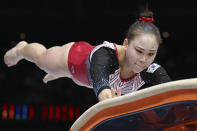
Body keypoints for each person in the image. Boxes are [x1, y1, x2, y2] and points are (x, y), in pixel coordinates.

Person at [4, 9, 171, 102]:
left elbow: (172, 91)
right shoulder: (105, 56)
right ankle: (21, 49)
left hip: (85, 79)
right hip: (71, 60)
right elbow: (102, 88)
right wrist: (110, 102)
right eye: (139, 51)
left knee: (77, 79)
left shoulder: (151, 69)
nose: (143, 60)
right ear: (126, 44)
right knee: (41, 59)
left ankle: (60, 75)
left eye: (151, 54)